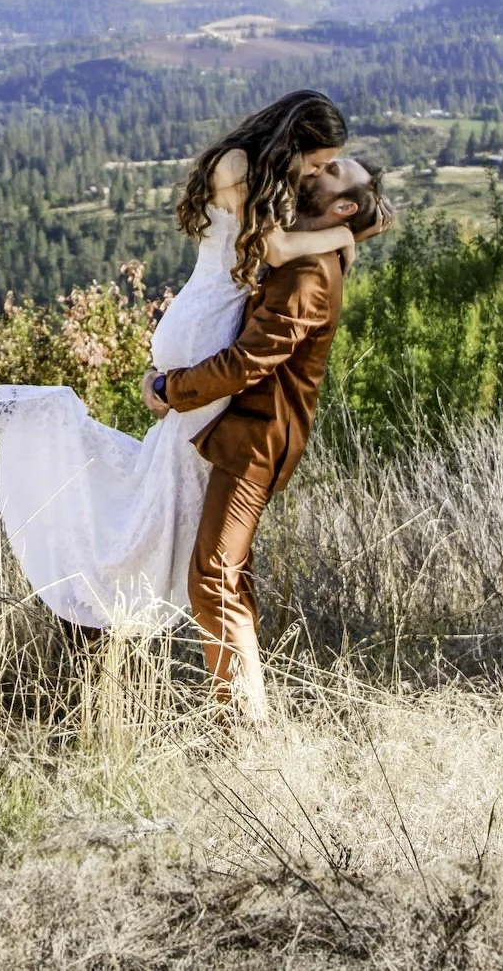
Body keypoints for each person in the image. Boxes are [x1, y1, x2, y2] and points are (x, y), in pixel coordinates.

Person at [0, 91, 388, 646]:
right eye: (318, 162)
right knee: (172, 500)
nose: (313, 173)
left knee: (168, 490)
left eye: (326, 169)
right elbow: (275, 251)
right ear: (296, 139)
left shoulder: (258, 170)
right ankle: (121, 586)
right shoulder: (241, 165)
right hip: (207, 329)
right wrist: (346, 234)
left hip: (206, 326)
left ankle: (128, 600)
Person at [143, 153, 383, 722]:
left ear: (342, 208)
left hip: (256, 440)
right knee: (225, 575)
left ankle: (245, 727)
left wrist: (171, 387)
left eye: (330, 173)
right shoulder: (303, 250)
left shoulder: (310, 274)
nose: (314, 172)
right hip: (238, 431)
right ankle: (247, 713)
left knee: (214, 577)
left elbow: (246, 363)